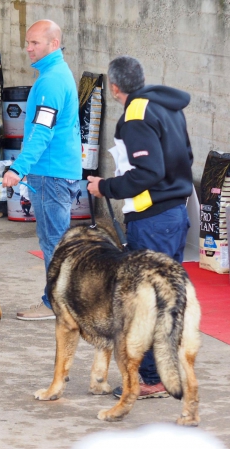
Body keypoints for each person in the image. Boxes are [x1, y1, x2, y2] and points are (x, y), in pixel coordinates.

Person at [87, 55, 193, 400]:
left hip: (152, 219)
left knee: (147, 302)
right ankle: (168, 369)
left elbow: (149, 172)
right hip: (175, 212)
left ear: (114, 87)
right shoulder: (168, 106)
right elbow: (185, 158)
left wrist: (105, 187)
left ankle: (151, 377)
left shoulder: (135, 116)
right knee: (170, 298)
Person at [2, 19, 81, 320]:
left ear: (53, 44)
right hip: (57, 171)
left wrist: (18, 168)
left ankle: (55, 304)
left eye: (34, 42)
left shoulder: (50, 81)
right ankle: (65, 301)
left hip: (51, 174)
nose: (28, 48)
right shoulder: (57, 74)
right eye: (27, 42)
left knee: (53, 241)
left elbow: (41, 131)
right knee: (56, 239)